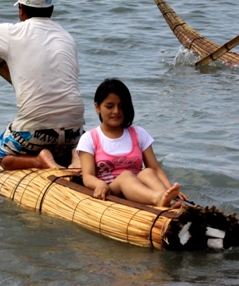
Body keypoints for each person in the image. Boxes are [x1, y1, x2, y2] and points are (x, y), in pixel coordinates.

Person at [0, 0, 85, 170]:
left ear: (21, 10)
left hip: (36, 132)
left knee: (0, 155)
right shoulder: (67, 37)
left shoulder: (13, 33)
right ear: (51, 10)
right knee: (67, 139)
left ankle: (38, 160)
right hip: (74, 131)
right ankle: (75, 155)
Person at [77, 78, 181, 208]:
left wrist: (170, 189)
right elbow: (87, 176)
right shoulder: (89, 138)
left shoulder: (138, 133)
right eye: (109, 106)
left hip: (139, 190)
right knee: (126, 176)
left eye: (121, 106)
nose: (116, 111)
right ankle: (157, 199)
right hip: (111, 191)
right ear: (97, 107)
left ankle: (169, 200)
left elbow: (156, 169)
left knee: (148, 172)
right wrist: (99, 184)